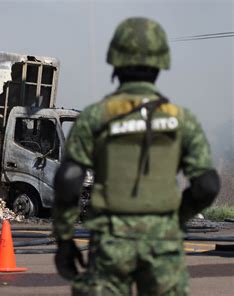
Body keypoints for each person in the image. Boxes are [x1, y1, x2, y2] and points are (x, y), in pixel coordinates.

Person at [52, 17, 220, 295]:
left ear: (115, 61)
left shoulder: (96, 116)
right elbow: (207, 185)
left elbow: (69, 180)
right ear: (160, 63)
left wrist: (64, 239)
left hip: (111, 240)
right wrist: (176, 219)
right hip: (163, 243)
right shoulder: (181, 120)